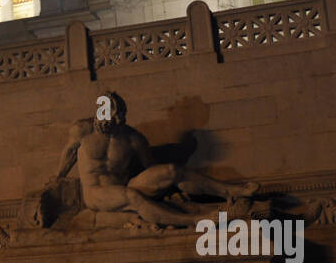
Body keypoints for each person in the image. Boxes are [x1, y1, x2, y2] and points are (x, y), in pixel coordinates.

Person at [55, 91, 258, 227]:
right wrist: (58, 178)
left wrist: (166, 186)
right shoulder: (81, 130)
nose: (118, 121)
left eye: (121, 116)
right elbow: (69, 154)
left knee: (171, 170)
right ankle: (195, 220)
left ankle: (232, 191)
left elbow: (150, 168)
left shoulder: (133, 138)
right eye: (113, 116)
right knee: (131, 197)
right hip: (96, 194)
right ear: (100, 113)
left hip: (126, 184)